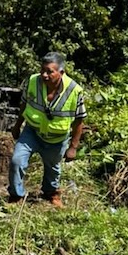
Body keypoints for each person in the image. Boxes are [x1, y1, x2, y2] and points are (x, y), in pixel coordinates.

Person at [8, 52, 86, 207]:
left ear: (61, 73)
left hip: (57, 139)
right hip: (32, 131)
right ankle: (16, 195)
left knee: (53, 169)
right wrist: (17, 126)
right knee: (17, 161)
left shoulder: (74, 90)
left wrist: (73, 147)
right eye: (42, 70)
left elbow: (79, 121)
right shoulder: (32, 81)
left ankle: (51, 194)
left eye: (50, 71)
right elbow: (23, 104)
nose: (44, 75)